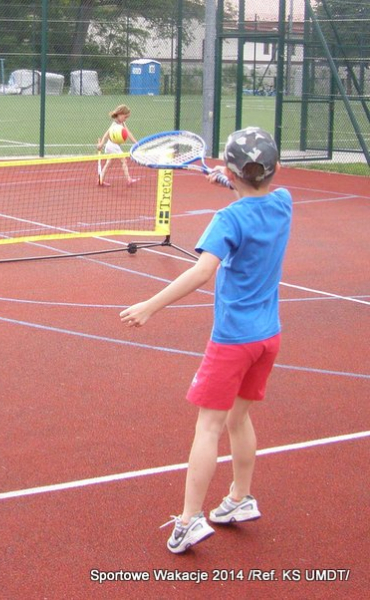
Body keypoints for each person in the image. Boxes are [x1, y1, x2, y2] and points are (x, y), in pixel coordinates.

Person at [118, 127, 292, 554]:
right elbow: (258, 195)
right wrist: (232, 183)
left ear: (231, 173)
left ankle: (189, 519)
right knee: (238, 419)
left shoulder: (228, 220)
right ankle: (239, 498)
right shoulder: (284, 203)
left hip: (233, 340)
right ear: (275, 168)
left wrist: (150, 306)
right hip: (268, 337)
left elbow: (201, 271)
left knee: (208, 427)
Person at [96, 104, 138, 187]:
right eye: (125, 117)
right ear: (120, 114)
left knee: (109, 163)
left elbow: (128, 133)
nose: (125, 119)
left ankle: (100, 180)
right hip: (112, 145)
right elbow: (106, 135)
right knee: (124, 160)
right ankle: (129, 179)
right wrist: (101, 144)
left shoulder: (122, 123)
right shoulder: (114, 125)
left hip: (113, 146)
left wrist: (136, 143)